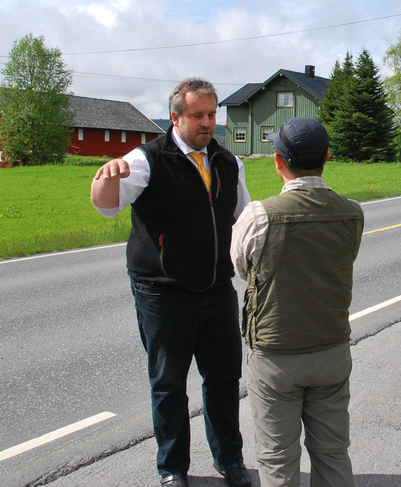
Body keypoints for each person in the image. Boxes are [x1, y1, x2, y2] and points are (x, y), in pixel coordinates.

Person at [90, 78, 252, 487]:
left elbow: (241, 218)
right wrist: (106, 177)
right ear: (175, 117)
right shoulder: (146, 159)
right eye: (198, 115)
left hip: (216, 291)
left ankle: (230, 460)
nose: (207, 123)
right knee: (168, 384)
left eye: (212, 114)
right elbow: (107, 206)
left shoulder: (228, 162)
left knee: (223, 379)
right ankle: (172, 468)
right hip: (163, 294)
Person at [230, 117, 364, 487]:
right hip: (332, 349)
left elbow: (242, 267)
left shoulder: (258, 215)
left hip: (276, 354)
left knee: (277, 460)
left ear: (277, 161)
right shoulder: (353, 212)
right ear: (327, 157)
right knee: (333, 452)